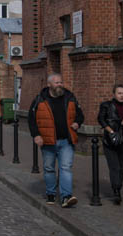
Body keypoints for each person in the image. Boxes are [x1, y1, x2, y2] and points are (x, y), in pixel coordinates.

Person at [28, 72, 84, 208]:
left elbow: (80, 114)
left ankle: (66, 196)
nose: (60, 85)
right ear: (49, 85)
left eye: (61, 82)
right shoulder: (40, 99)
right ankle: (51, 193)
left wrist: (77, 122)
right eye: (57, 82)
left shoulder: (70, 97)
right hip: (47, 141)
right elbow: (31, 119)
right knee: (49, 168)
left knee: (65, 167)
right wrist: (36, 135)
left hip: (66, 141)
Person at [97, 84, 123, 205]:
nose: (122, 96)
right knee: (114, 166)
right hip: (110, 141)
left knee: (122, 168)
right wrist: (111, 131)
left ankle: (118, 187)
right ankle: (116, 191)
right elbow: (101, 119)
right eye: (119, 93)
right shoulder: (106, 105)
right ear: (114, 94)